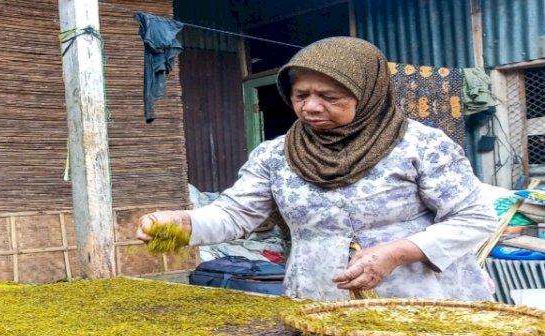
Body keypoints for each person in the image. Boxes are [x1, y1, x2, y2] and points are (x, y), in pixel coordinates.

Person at [136, 37, 497, 301]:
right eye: (300, 95)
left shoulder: (421, 145)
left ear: (368, 93)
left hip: (426, 299)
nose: (310, 107)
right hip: (320, 298)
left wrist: (397, 251)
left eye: (330, 96)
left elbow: (474, 219)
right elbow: (235, 215)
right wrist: (184, 223)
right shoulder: (275, 155)